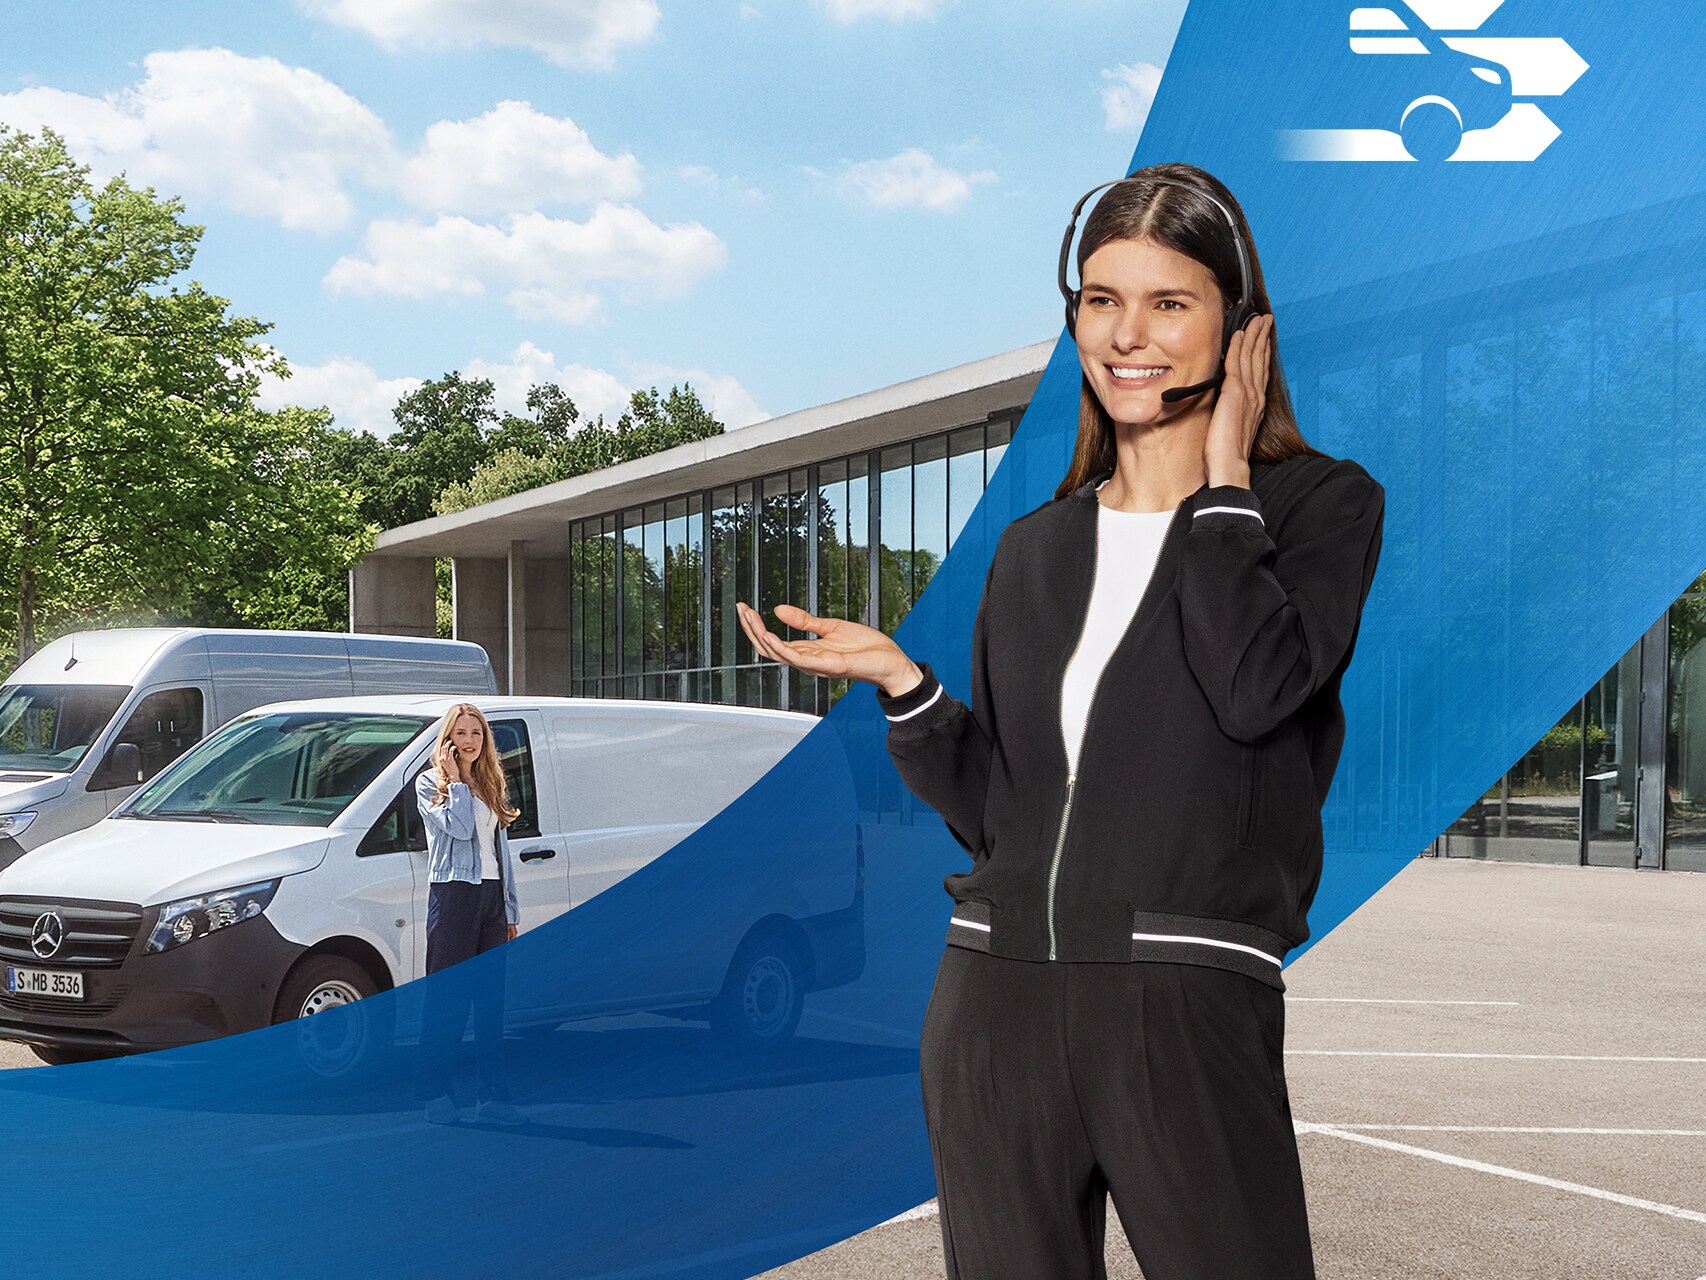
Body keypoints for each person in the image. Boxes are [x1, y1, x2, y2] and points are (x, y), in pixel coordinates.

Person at [736, 163, 1385, 1278]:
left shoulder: (1315, 508)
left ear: (1238, 331)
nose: (1126, 334)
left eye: (1168, 302)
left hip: (1184, 995)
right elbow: (1004, 818)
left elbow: (1253, 689)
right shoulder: (1035, 547)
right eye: (1100, 299)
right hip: (993, 1002)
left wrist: (1225, 478)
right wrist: (906, 685)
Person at [414, 701, 526, 1126]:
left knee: (490, 1003)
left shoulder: (490, 783)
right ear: (448, 739)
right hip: (453, 896)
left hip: (491, 898)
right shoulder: (430, 785)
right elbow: (459, 829)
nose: (469, 741)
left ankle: (492, 1099)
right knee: (447, 1000)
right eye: (461, 733)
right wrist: (457, 781)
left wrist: (509, 909)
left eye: (476, 733)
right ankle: (436, 1098)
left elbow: (502, 854)